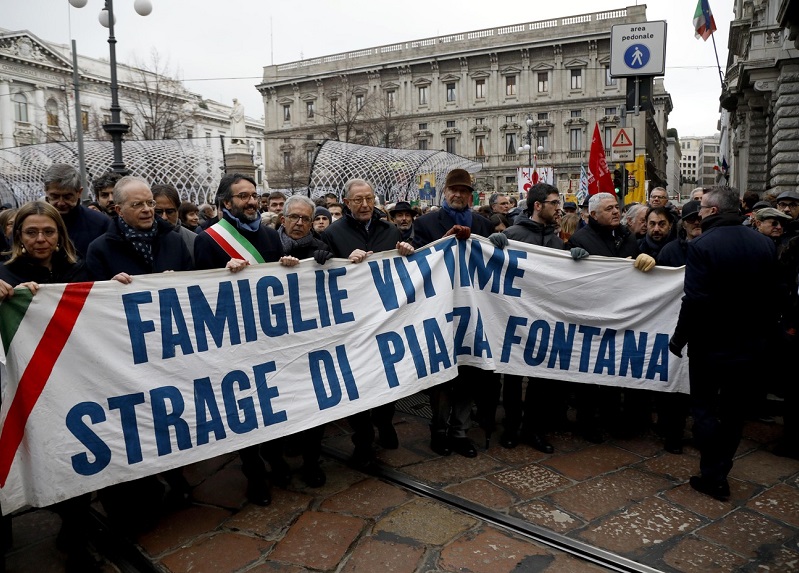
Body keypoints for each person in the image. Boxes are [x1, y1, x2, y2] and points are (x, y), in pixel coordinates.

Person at [0, 201, 100, 572]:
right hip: (29, 390)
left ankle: (75, 541)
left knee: (77, 463)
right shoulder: (4, 273)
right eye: (31, 232)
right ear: (17, 236)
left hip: (76, 384)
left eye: (48, 232)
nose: (40, 239)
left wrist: (119, 287)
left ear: (60, 235)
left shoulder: (78, 269)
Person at [669, 186, 782, 501]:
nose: (699, 211)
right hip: (750, 346)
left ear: (714, 211)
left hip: (710, 344)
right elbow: (773, 296)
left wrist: (680, 338)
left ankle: (712, 473)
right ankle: (719, 473)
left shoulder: (703, 245)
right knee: (734, 413)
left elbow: (695, 300)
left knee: (704, 409)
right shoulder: (763, 244)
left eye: (702, 207)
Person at [193, 174, 289, 505]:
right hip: (233, 340)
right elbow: (200, 296)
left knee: (274, 398)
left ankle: (276, 457)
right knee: (245, 407)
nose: (251, 201)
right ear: (226, 203)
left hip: (269, 334)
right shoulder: (208, 241)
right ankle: (254, 472)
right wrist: (223, 274)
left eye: (254, 195)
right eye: (243, 196)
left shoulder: (270, 236)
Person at [321, 178, 414, 468]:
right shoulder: (333, 233)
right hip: (351, 323)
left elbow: (407, 267)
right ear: (347, 203)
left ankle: (385, 422)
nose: (364, 205)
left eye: (369, 199)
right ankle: (362, 437)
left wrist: (407, 252)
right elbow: (323, 269)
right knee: (356, 380)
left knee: (387, 374)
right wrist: (342, 261)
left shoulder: (389, 230)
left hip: (385, 318)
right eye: (358, 200)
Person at [499, 183, 588, 454]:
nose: (558, 208)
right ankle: (511, 428)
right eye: (553, 203)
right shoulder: (513, 234)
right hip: (514, 315)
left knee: (541, 378)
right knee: (513, 377)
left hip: (544, 318)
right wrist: (492, 246)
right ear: (537, 206)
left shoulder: (556, 238)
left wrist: (574, 257)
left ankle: (534, 430)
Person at [412, 168, 496, 458]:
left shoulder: (483, 224)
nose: (458, 195)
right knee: (443, 375)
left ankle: (460, 432)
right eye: (453, 190)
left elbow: (495, 262)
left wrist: (500, 243)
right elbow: (417, 261)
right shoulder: (425, 223)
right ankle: (438, 431)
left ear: (471, 196)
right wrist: (443, 241)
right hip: (440, 310)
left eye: (464, 191)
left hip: (474, 311)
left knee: (469, 372)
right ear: (444, 193)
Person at [566, 192, 656, 442]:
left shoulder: (627, 237)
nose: (616, 212)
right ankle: (587, 424)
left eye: (617, 207)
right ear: (593, 215)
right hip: (592, 316)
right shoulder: (580, 239)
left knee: (615, 371)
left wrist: (644, 261)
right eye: (609, 209)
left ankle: (612, 420)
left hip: (621, 316)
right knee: (589, 375)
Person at [43, 163, 110, 258]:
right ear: (46, 192)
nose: (61, 203)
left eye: (67, 197)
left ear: (79, 192)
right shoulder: (32, 222)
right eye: (55, 196)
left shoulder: (100, 223)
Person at [151, 183, 196, 264]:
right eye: (158, 212)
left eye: (170, 212)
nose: (164, 217)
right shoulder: (140, 241)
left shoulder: (195, 241)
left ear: (178, 210)